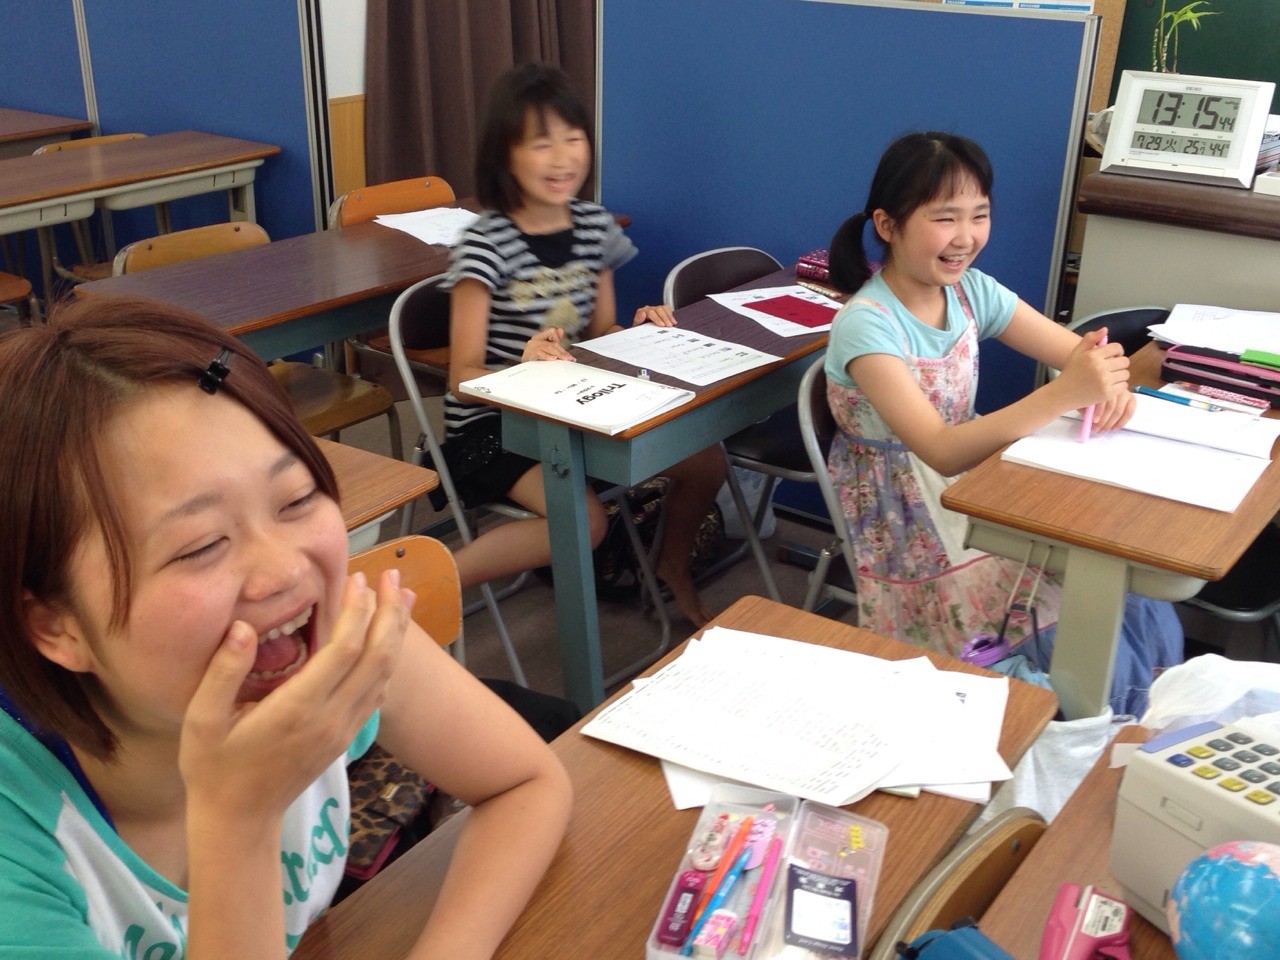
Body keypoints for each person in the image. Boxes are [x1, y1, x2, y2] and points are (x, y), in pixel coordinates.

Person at [0, 296, 572, 959]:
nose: (284, 571)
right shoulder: (24, 847)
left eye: (297, 499)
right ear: (55, 625)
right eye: (199, 545)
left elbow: (525, 784)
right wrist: (238, 817)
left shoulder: (329, 640)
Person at [824, 131, 1150, 660]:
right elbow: (940, 449)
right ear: (887, 225)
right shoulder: (867, 325)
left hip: (975, 475)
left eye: (980, 215)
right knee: (1038, 626)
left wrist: (1108, 380)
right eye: (945, 217)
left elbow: (1078, 353)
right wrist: (1067, 391)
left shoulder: (970, 290)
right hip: (907, 509)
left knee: (1106, 580)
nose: (966, 236)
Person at [441, 62, 725, 626]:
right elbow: (461, 379)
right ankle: (432, 581)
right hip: (493, 429)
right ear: (505, 155)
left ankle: (671, 566)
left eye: (573, 139)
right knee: (586, 523)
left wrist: (639, 331)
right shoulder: (483, 244)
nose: (562, 158)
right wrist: (519, 366)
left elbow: (599, 335)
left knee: (706, 462)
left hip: (575, 411)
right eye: (541, 143)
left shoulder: (595, 227)